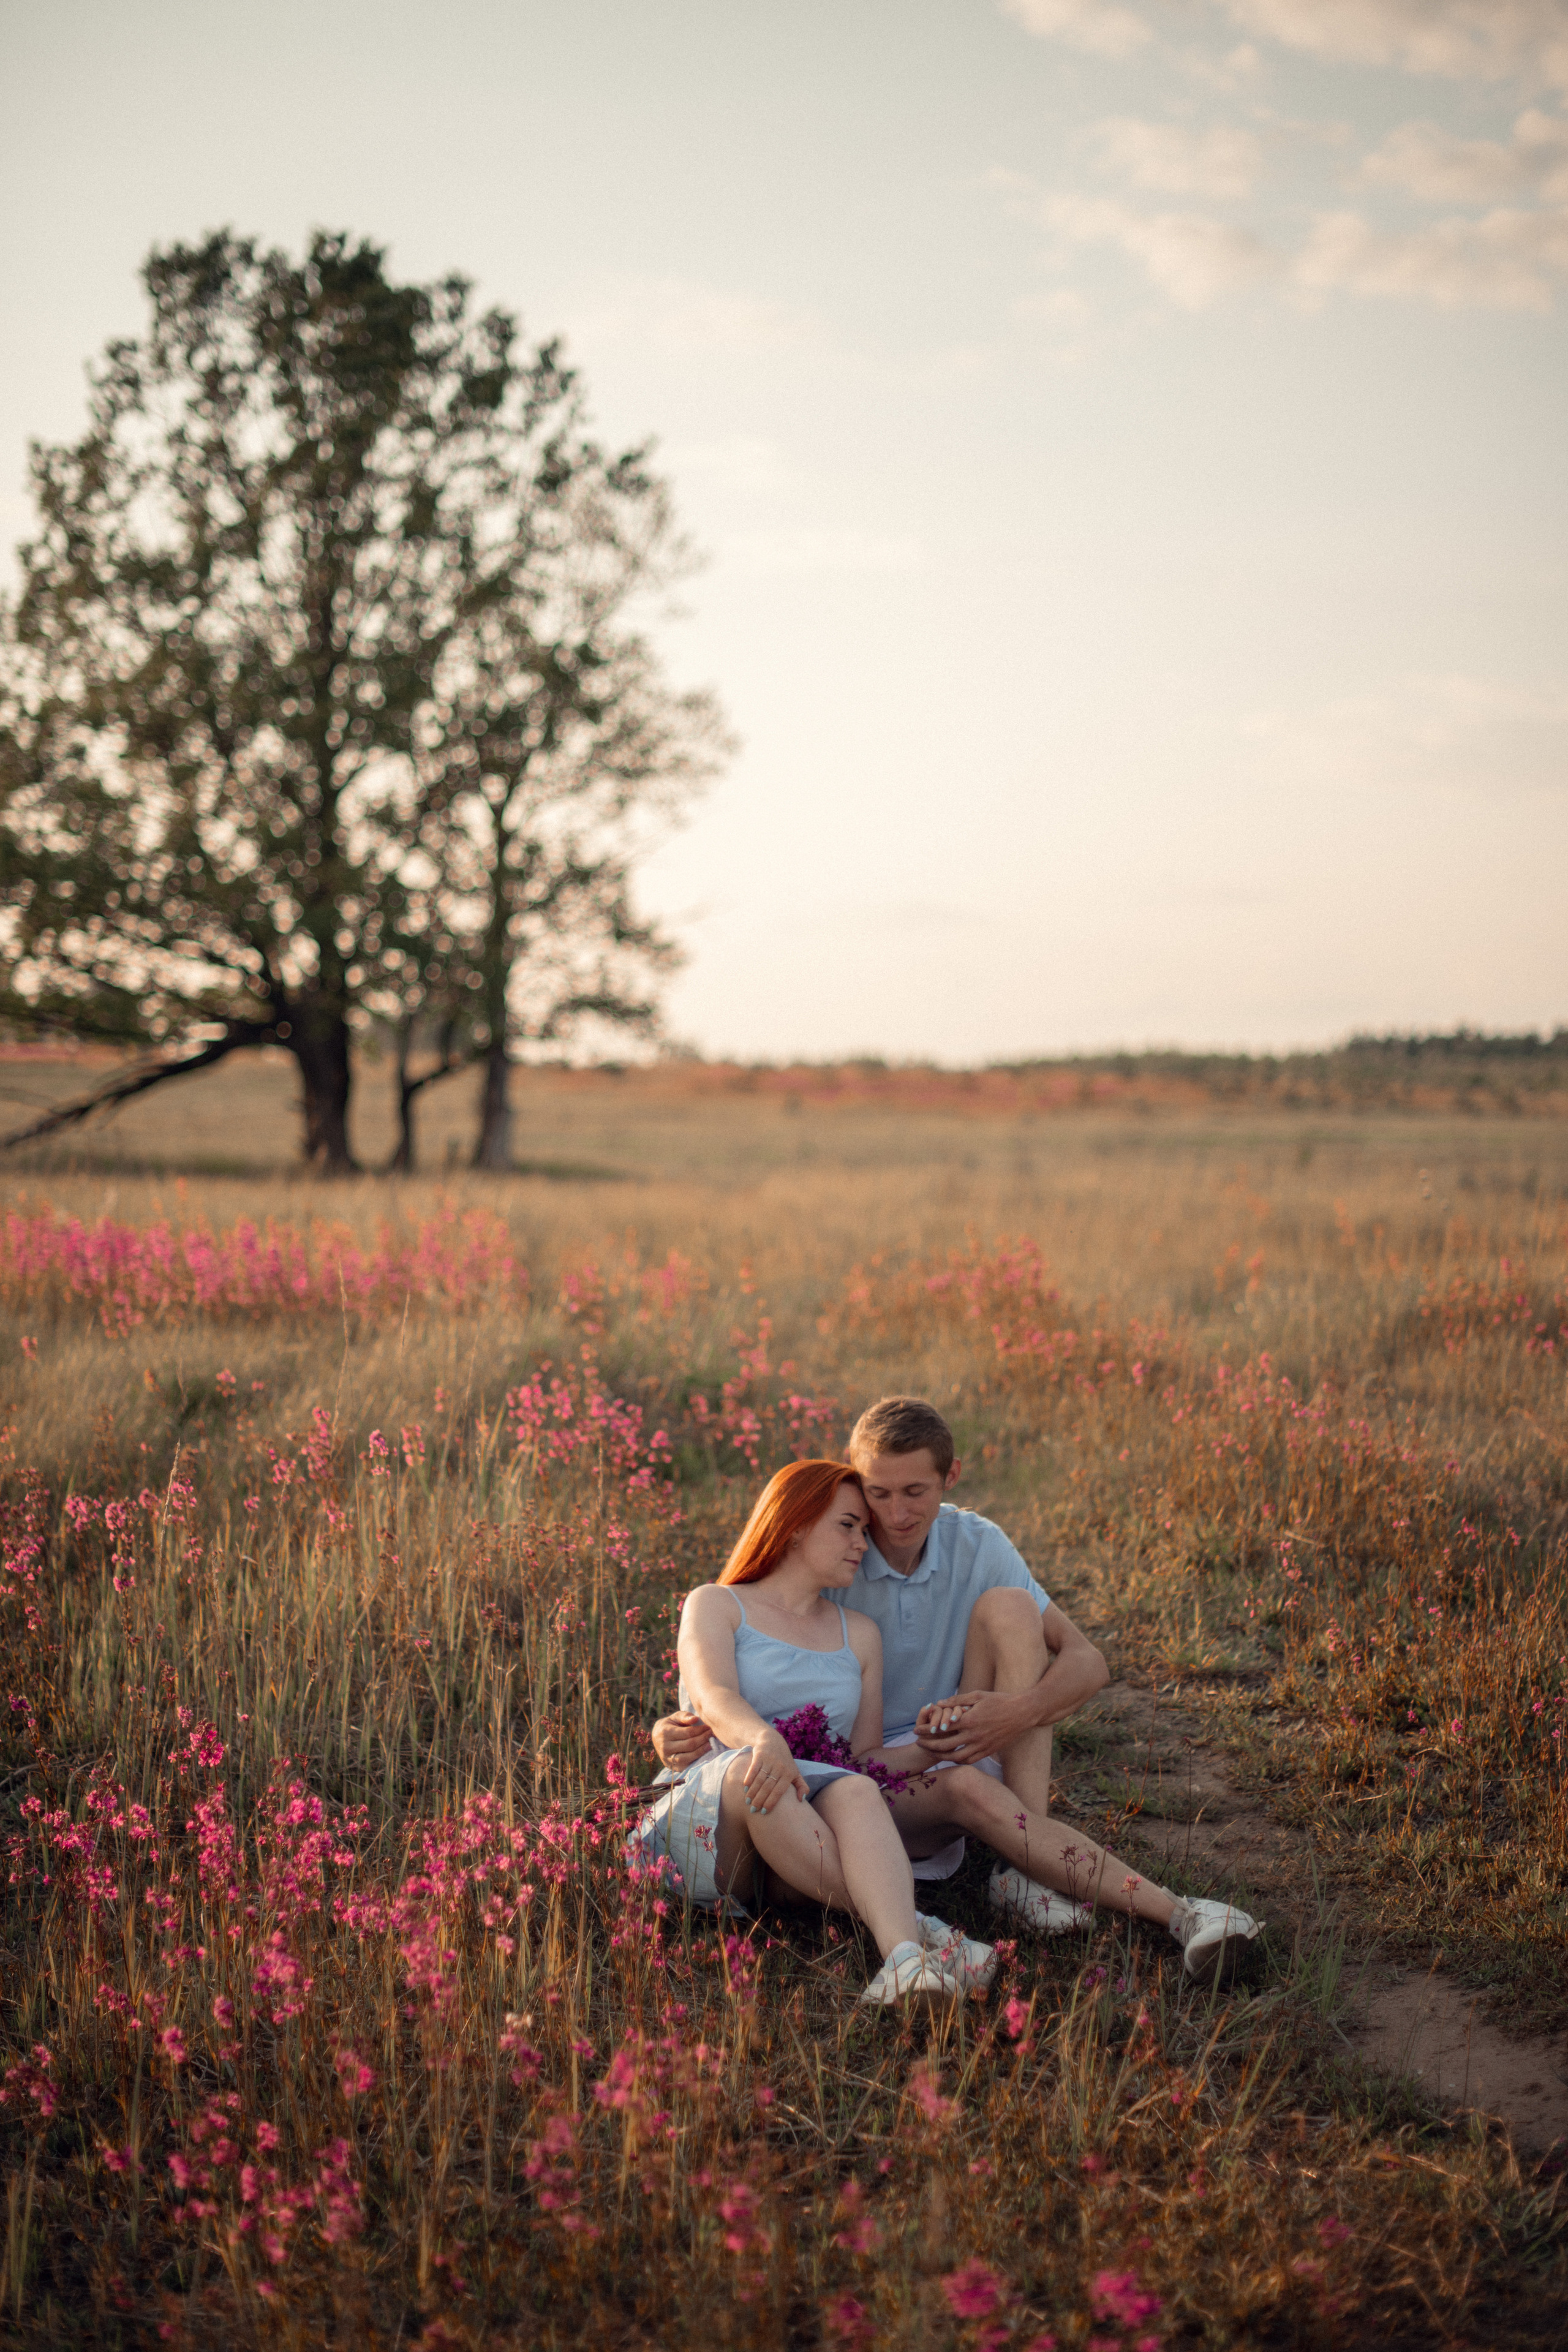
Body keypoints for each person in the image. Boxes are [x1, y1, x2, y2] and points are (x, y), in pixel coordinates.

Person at [652, 1398, 1260, 1985]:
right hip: (801, 1783)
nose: (889, 1518)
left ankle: (1176, 1912)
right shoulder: (817, 1564)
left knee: (1011, 1618)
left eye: (915, 1492)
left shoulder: (954, 1555)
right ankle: (922, 1931)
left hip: (896, 1767)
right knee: (837, 1792)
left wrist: (1006, 1717)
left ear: (950, 1479)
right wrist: (678, 1724)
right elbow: (724, 1663)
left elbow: (1087, 1662)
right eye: (876, 1496)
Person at [630, 1456, 995, 2008]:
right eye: (847, 1526)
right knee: (760, 1775)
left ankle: (901, 1960)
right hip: (719, 1821)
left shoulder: (861, 1635)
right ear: (796, 1522)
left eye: (864, 1533)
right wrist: (763, 1740)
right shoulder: (717, 1603)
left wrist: (933, 1750)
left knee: (854, 1787)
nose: (862, 1545)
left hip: (794, 1844)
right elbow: (713, 1696)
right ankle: (925, 1931)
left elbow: (864, 1758)